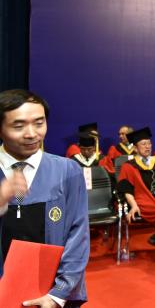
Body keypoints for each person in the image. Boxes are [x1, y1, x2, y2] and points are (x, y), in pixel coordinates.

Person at [0, 89, 89, 307]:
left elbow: (78, 233)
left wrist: (59, 293)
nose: (32, 134)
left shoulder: (67, 171)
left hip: (50, 294)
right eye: (18, 126)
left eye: (39, 123)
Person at [117, 127, 155, 246]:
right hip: (144, 201)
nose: (147, 147)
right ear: (135, 148)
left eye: (149, 143)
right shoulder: (128, 166)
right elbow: (126, 189)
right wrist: (133, 205)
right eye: (143, 144)